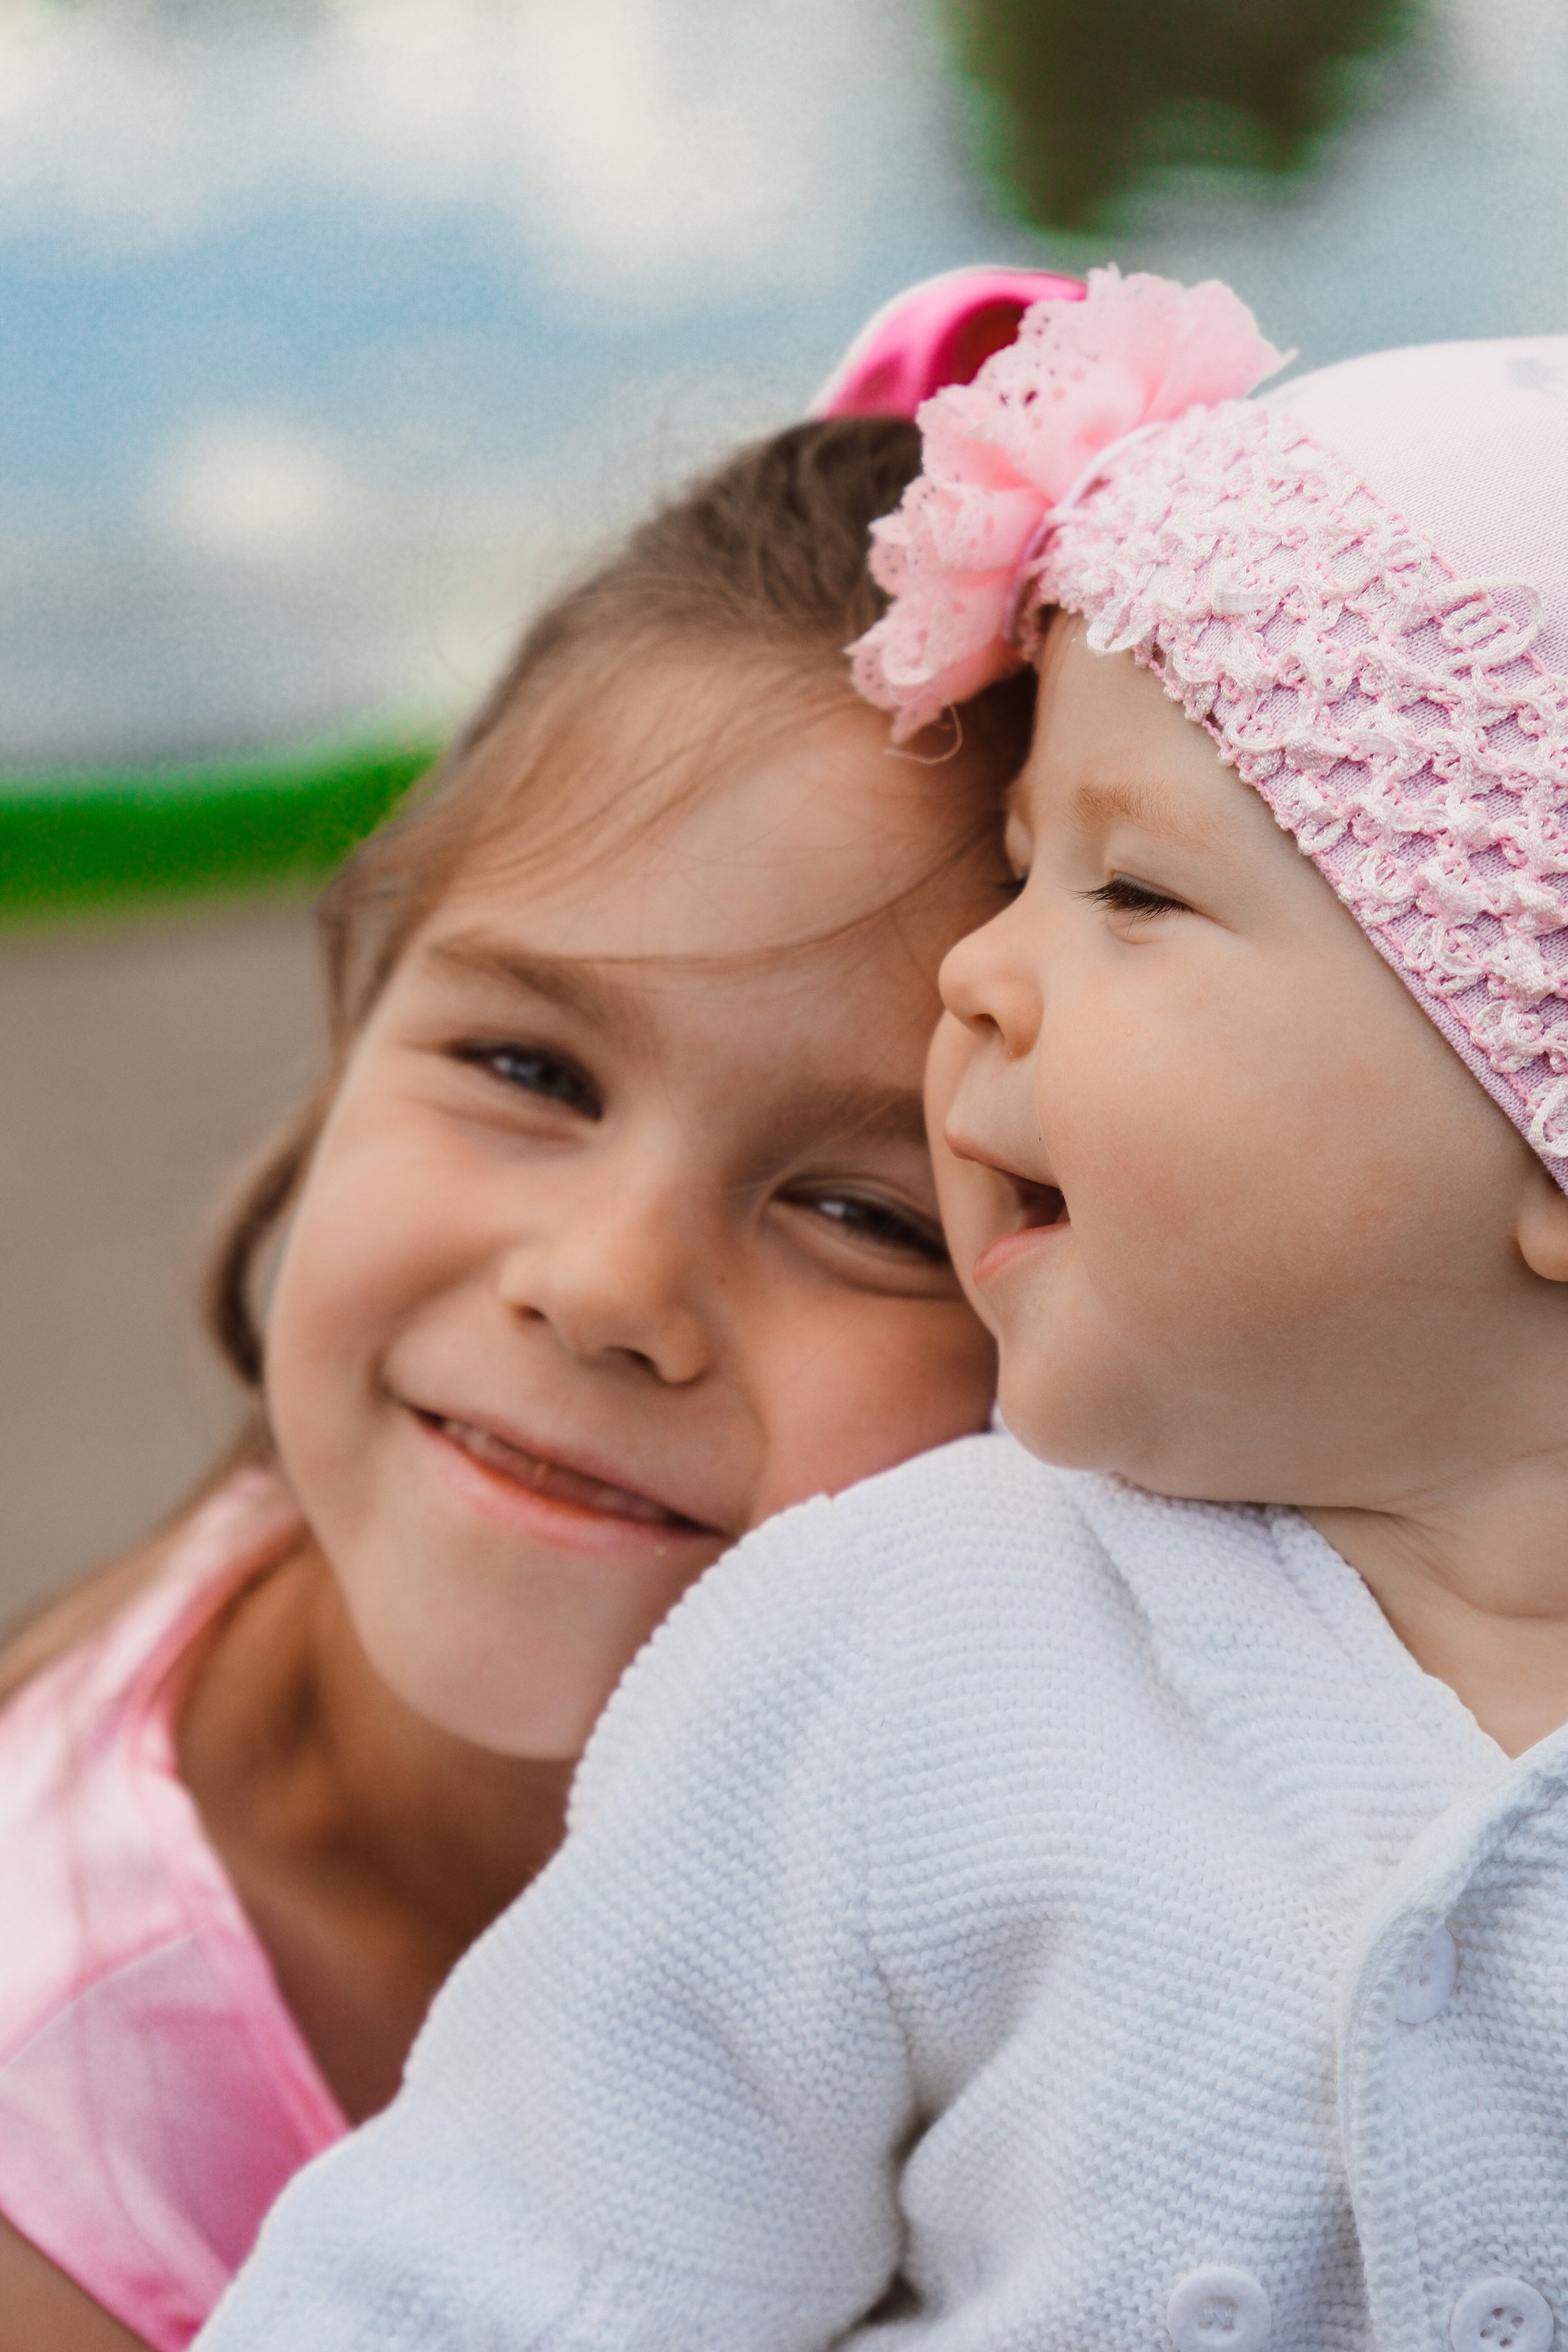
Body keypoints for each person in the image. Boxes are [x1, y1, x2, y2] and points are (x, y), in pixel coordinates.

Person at [198, 268, 1568, 2352]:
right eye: (1015, 871)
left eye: (1128, 890)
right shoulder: (896, 1660)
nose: (978, 974)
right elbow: (504, 2277)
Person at [0, 265, 1084, 2352]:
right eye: (529, 1071)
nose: (605, 1292)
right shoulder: (65, 2135)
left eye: (868, 1211)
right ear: (355, 1021)